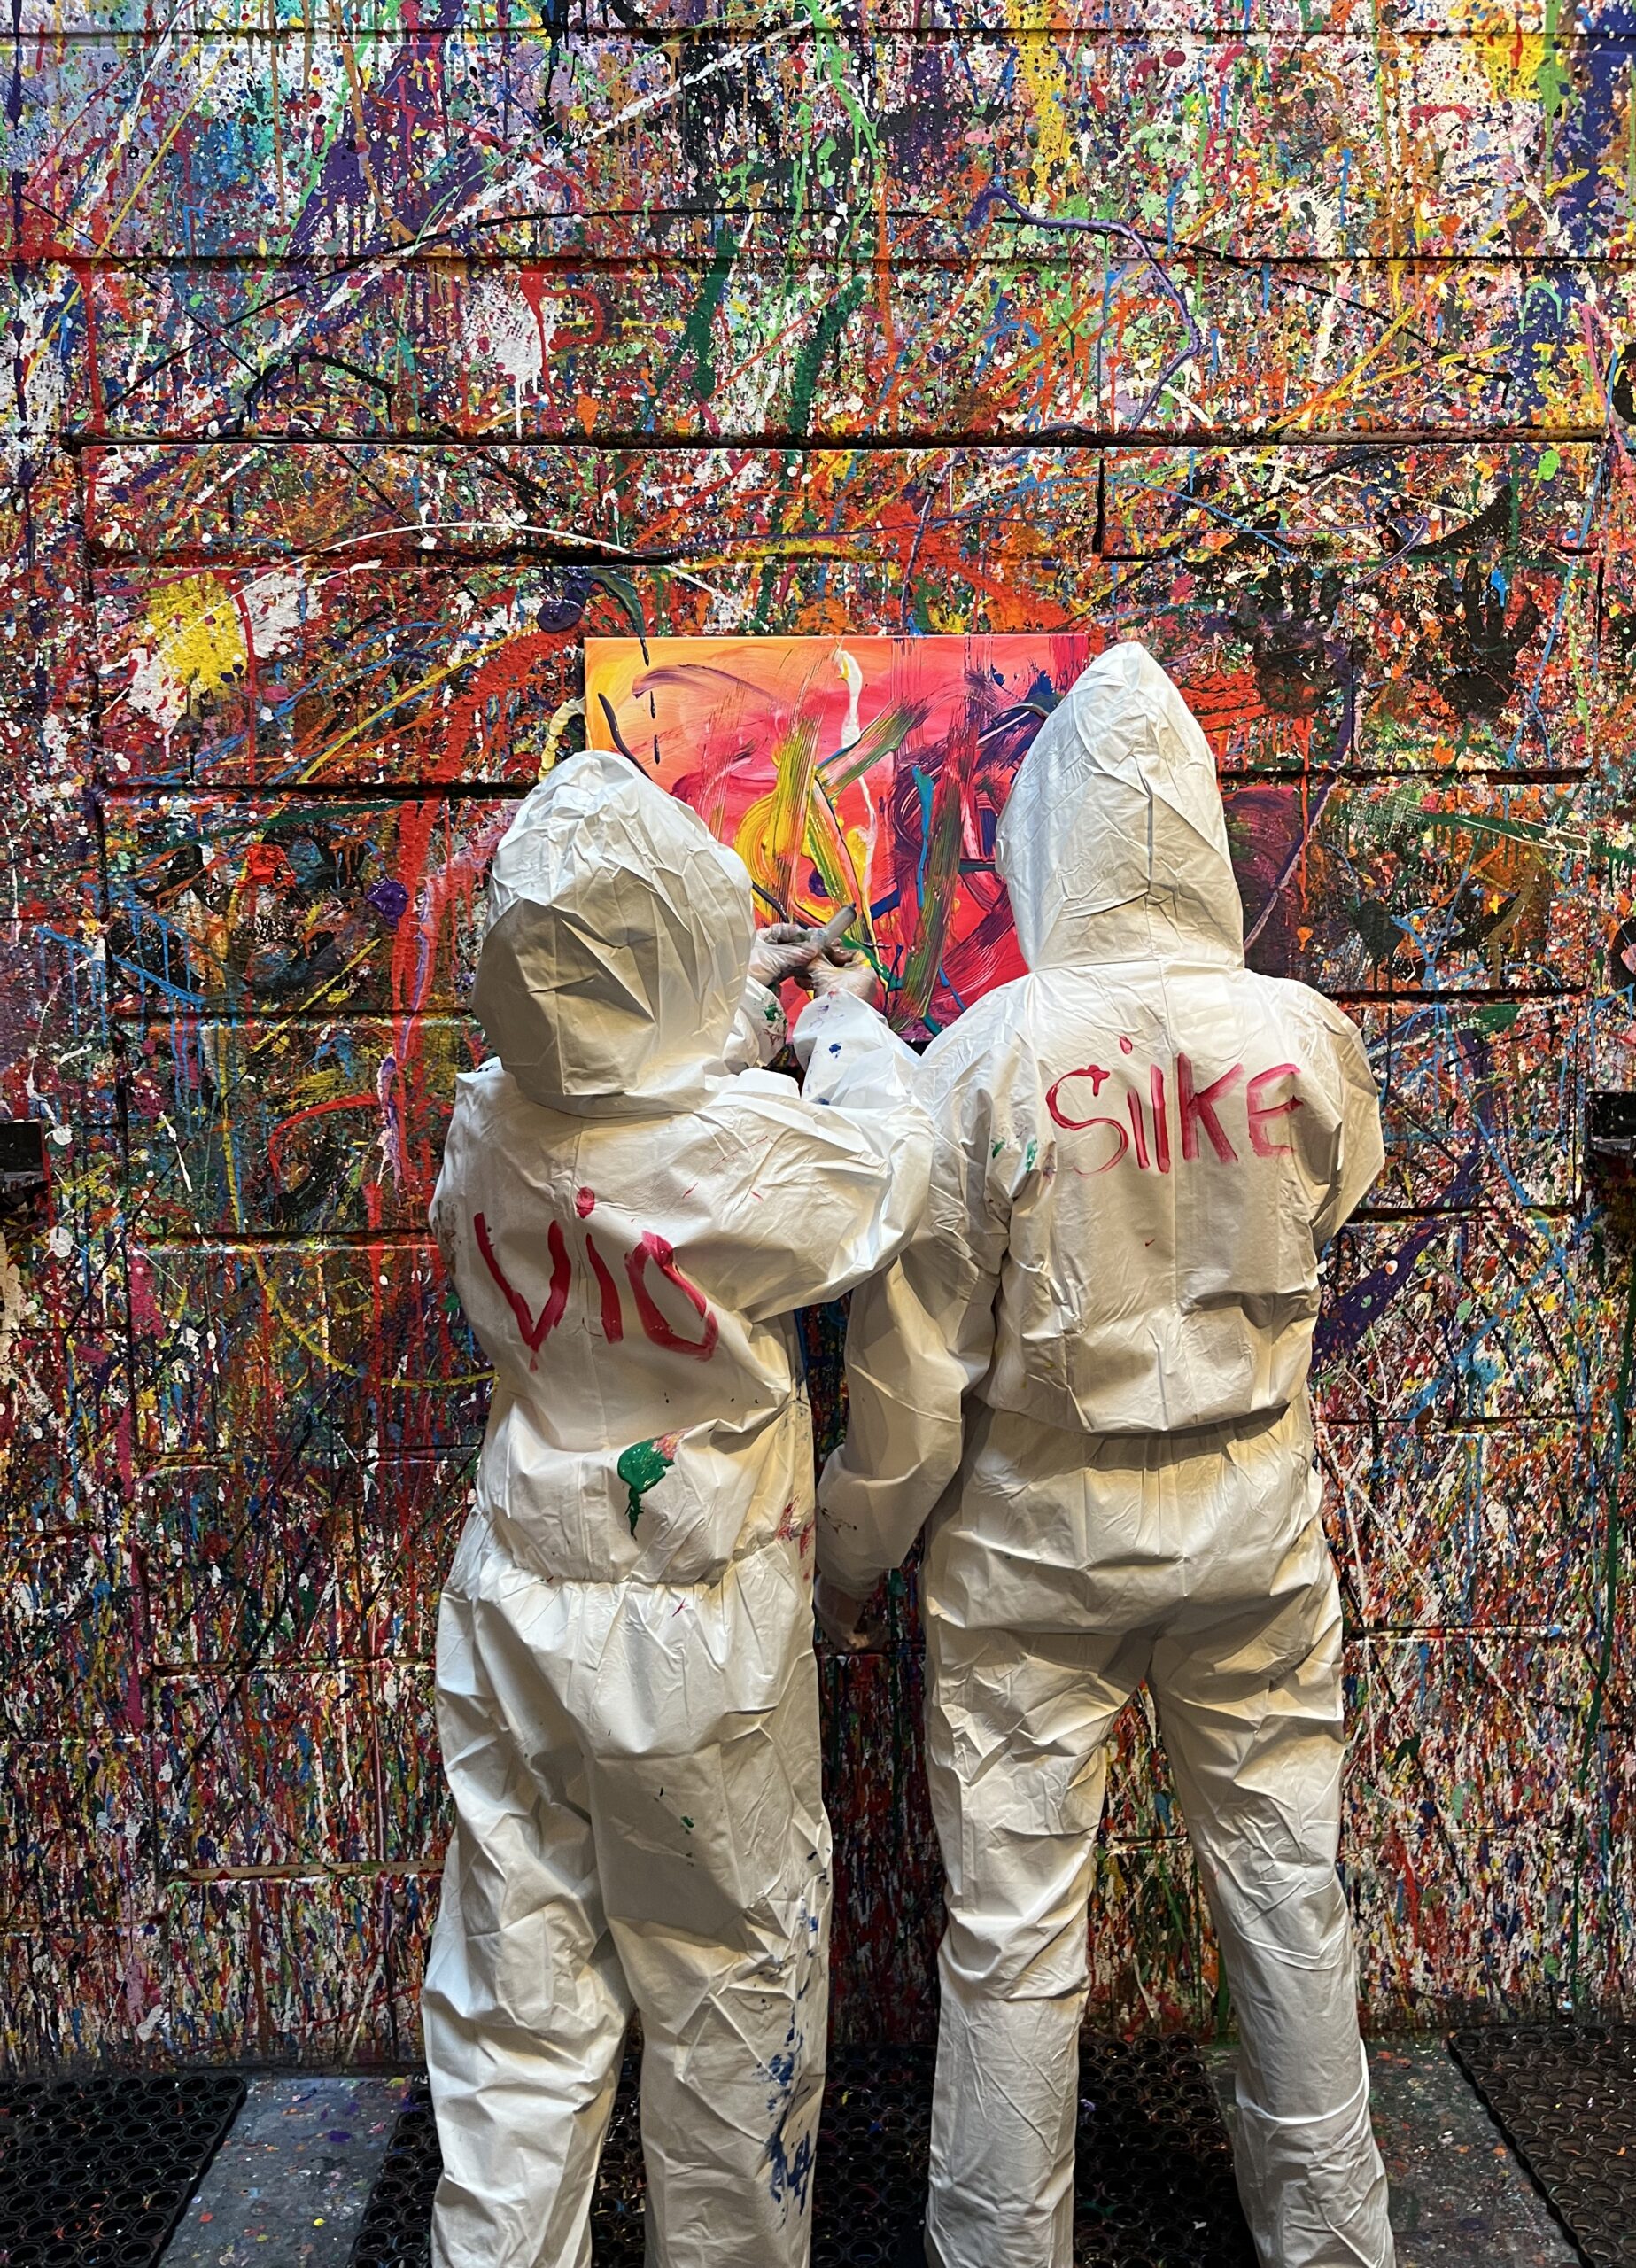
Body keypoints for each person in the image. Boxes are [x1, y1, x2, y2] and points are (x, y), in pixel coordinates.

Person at [815, 641, 1394, 2268]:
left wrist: (846, 1568)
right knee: (1287, 1888)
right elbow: (1334, 1196)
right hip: (1253, 1527)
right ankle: (1334, 2240)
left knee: (1014, 1938)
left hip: (1034, 1547)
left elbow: (911, 1381)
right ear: (1197, 825)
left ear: (1049, 837)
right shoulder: (1302, 1038)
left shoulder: (990, 1057)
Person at [423, 749, 928, 2268]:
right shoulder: (742, 1155)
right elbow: (884, 1167)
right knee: (728, 2011)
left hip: (516, 1596)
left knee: (514, 2019)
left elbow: (604, 1083)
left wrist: (718, 1009)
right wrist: (837, 1021)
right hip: (697, 1627)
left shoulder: (483, 1123)